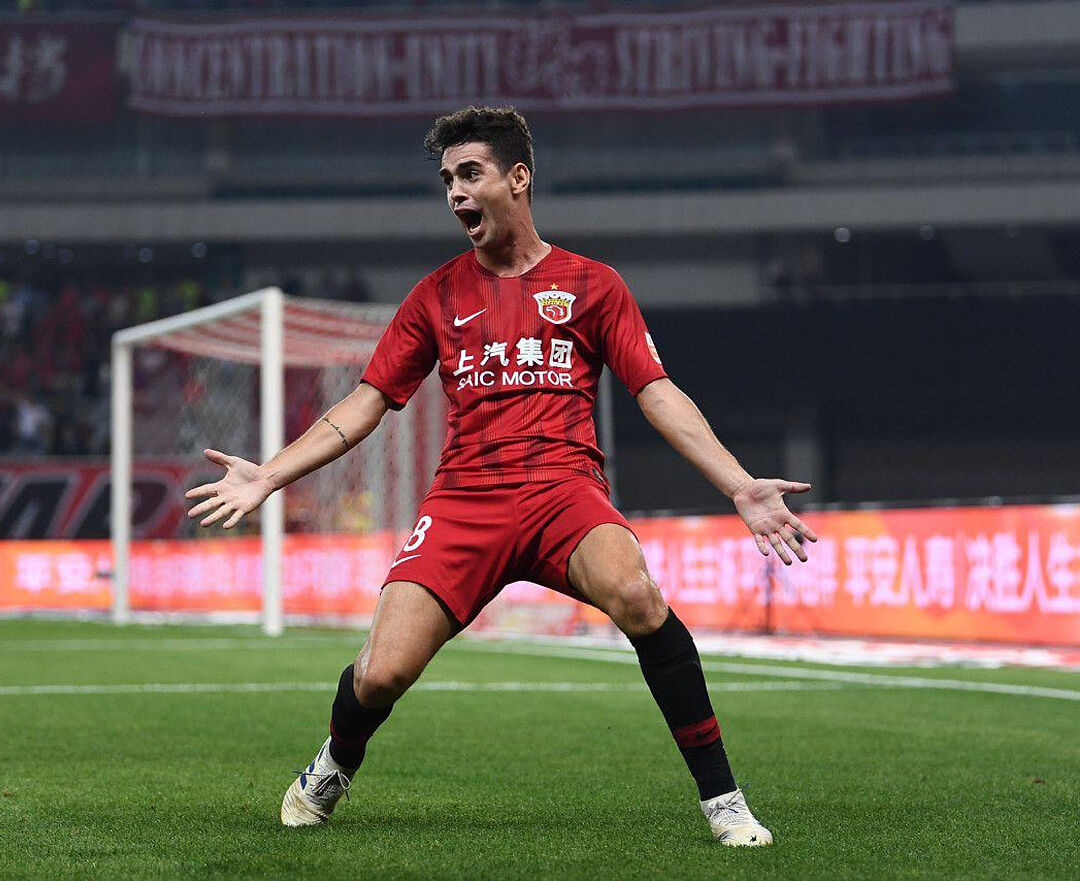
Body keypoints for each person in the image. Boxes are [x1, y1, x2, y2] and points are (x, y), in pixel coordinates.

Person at [185, 106, 817, 847]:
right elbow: (367, 403)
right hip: (465, 502)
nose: (455, 192)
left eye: (470, 174)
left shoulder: (593, 284)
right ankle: (333, 762)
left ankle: (723, 798)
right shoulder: (435, 296)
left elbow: (656, 390)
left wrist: (738, 484)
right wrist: (271, 475)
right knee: (382, 673)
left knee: (638, 596)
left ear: (518, 178)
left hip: (564, 490)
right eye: (447, 179)